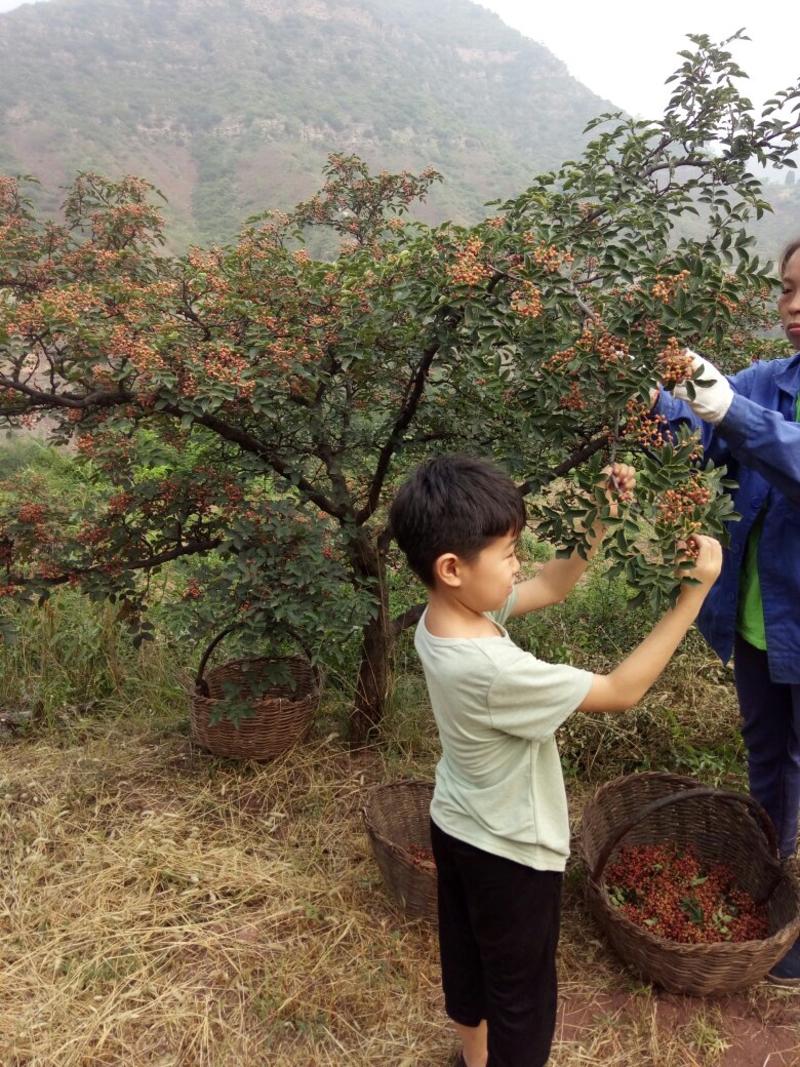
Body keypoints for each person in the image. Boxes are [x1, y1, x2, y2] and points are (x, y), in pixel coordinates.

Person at [389, 455, 721, 1067]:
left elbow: (553, 586)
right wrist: (690, 600)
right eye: (510, 552)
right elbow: (621, 691)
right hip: (511, 850)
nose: (519, 563)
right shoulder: (492, 669)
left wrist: (601, 516)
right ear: (453, 567)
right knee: (523, 999)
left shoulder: (444, 616)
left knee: (466, 959)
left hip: (456, 821)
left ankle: (473, 1058)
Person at [652, 237, 800, 985]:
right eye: (786, 289)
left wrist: (728, 406)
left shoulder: (758, 398)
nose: (794, 306)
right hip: (757, 626)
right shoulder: (768, 380)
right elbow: (700, 438)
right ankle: (766, 901)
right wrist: (661, 401)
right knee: (767, 762)